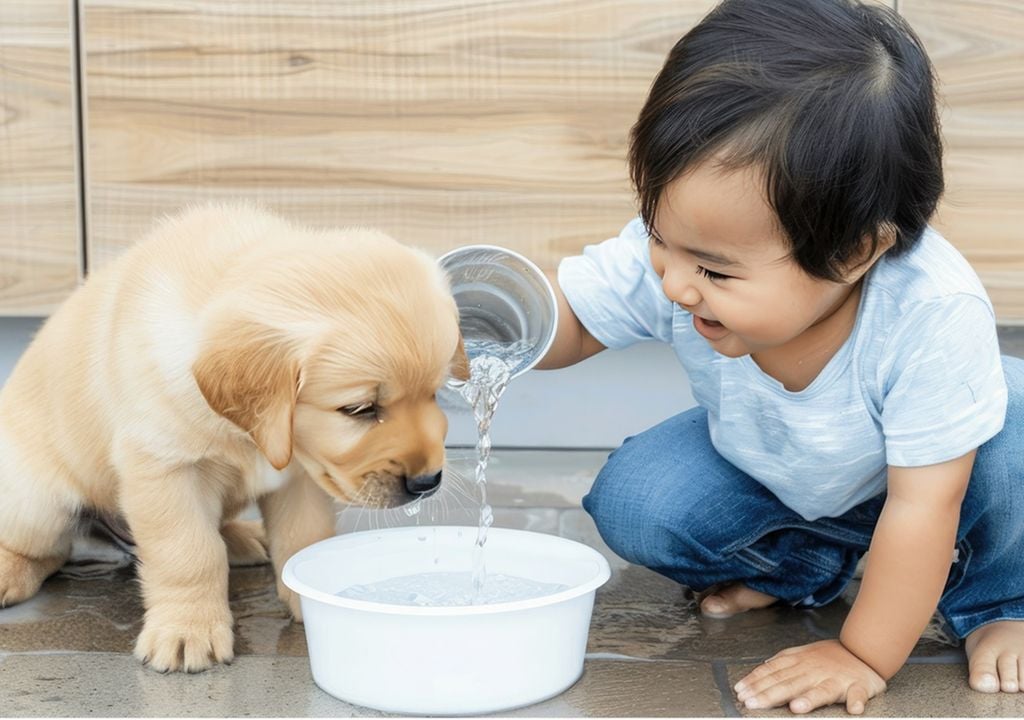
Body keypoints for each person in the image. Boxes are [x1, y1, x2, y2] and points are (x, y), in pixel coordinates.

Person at [536, 0, 1024, 713]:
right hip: (802, 481)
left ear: (854, 253)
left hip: (940, 482)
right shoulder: (692, 252)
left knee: (1011, 449)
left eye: (714, 272)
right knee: (637, 502)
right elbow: (571, 317)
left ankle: (997, 601)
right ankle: (814, 562)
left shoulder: (930, 318)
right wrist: (467, 327)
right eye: (657, 236)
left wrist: (861, 654)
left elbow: (924, 505)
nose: (673, 282)